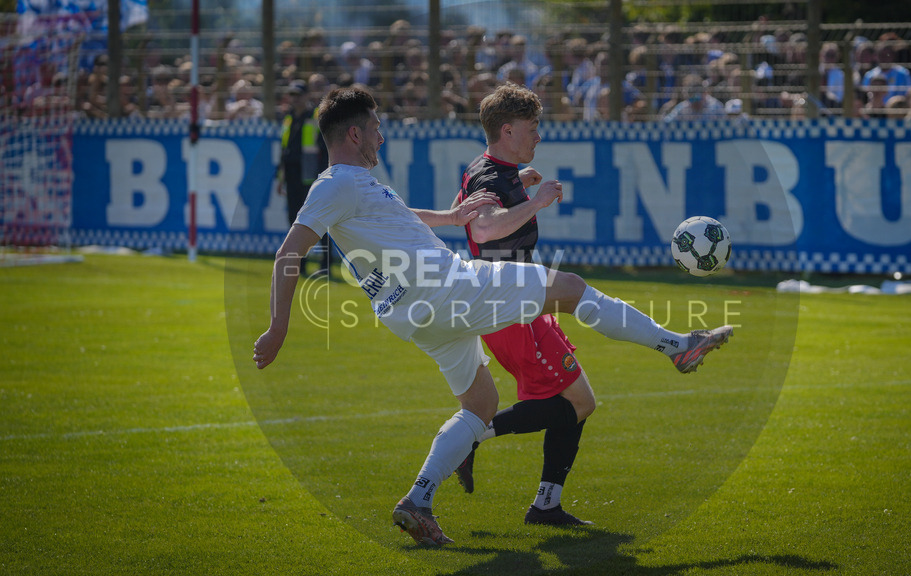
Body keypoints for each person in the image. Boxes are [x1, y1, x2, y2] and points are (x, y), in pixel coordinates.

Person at [252, 86, 733, 547]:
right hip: (448, 288)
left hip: (418, 315)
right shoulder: (335, 183)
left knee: (481, 404)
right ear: (354, 135)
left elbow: (401, 218)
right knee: (570, 287)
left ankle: (418, 501)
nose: (381, 135)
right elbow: (288, 252)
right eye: (376, 127)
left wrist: (450, 216)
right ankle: (676, 345)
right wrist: (278, 327)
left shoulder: (358, 186)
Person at [447, 82, 597, 527]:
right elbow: (484, 232)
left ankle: (546, 505)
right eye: (533, 129)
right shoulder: (494, 175)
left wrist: (519, 188)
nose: (538, 138)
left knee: (581, 402)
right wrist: (535, 201)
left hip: (525, 305)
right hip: (509, 309)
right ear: (508, 131)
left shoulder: (485, 167)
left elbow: (464, 209)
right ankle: (468, 439)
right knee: (575, 404)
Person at [277, 78, 329, 276]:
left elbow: (323, 149)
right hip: (291, 174)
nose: (295, 99)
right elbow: (284, 149)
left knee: (317, 220)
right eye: (292, 95)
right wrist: (280, 177)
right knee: (295, 221)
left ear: (306, 96)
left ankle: (325, 265)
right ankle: (302, 265)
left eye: (299, 95)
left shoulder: (314, 117)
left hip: (310, 175)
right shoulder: (288, 118)